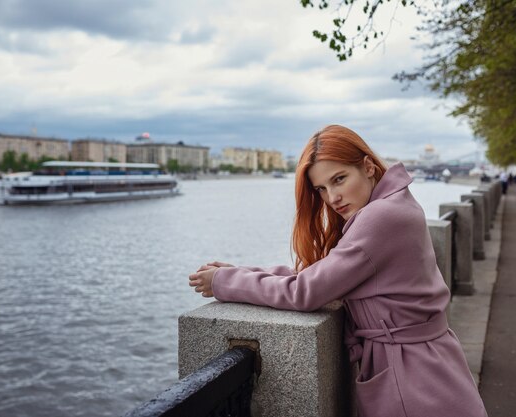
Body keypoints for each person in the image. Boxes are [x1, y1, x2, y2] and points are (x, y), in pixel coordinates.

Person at [189, 125, 487, 417]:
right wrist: (241, 271)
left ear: (368, 167)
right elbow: (319, 273)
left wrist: (224, 283)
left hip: (410, 377)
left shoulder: (380, 217)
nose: (332, 198)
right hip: (427, 364)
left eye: (339, 179)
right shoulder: (395, 204)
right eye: (322, 188)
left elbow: (305, 291)